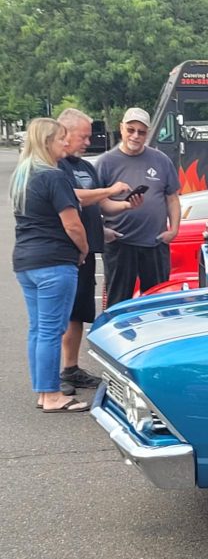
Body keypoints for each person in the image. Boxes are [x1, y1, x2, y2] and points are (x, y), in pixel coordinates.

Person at [56, 108, 138, 395]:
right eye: (83, 136)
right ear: (63, 134)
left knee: (79, 311)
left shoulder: (86, 167)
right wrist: (109, 190)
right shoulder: (55, 166)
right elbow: (75, 197)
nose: (88, 142)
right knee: (63, 314)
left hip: (87, 251)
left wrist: (126, 204)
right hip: (66, 251)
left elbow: (101, 205)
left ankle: (71, 368)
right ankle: (56, 375)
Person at [10, 118, 90, 412]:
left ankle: (44, 392)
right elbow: (72, 224)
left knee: (38, 329)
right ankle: (53, 395)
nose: (66, 144)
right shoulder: (54, 177)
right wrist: (83, 250)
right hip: (54, 261)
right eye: (60, 139)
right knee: (51, 329)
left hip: (26, 260)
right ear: (47, 143)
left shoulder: (22, 175)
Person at [95, 107, 181, 306]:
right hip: (120, 243)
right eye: (130, 129)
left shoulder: (161, 160)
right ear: (121, 128)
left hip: (155, 243)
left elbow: (172, 198)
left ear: (147, 134)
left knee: (158, 302)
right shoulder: (105, 162)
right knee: (118, 302)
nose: (135, 136)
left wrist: (174, 229)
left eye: (141, 132)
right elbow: (95, 202)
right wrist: (104, 230)